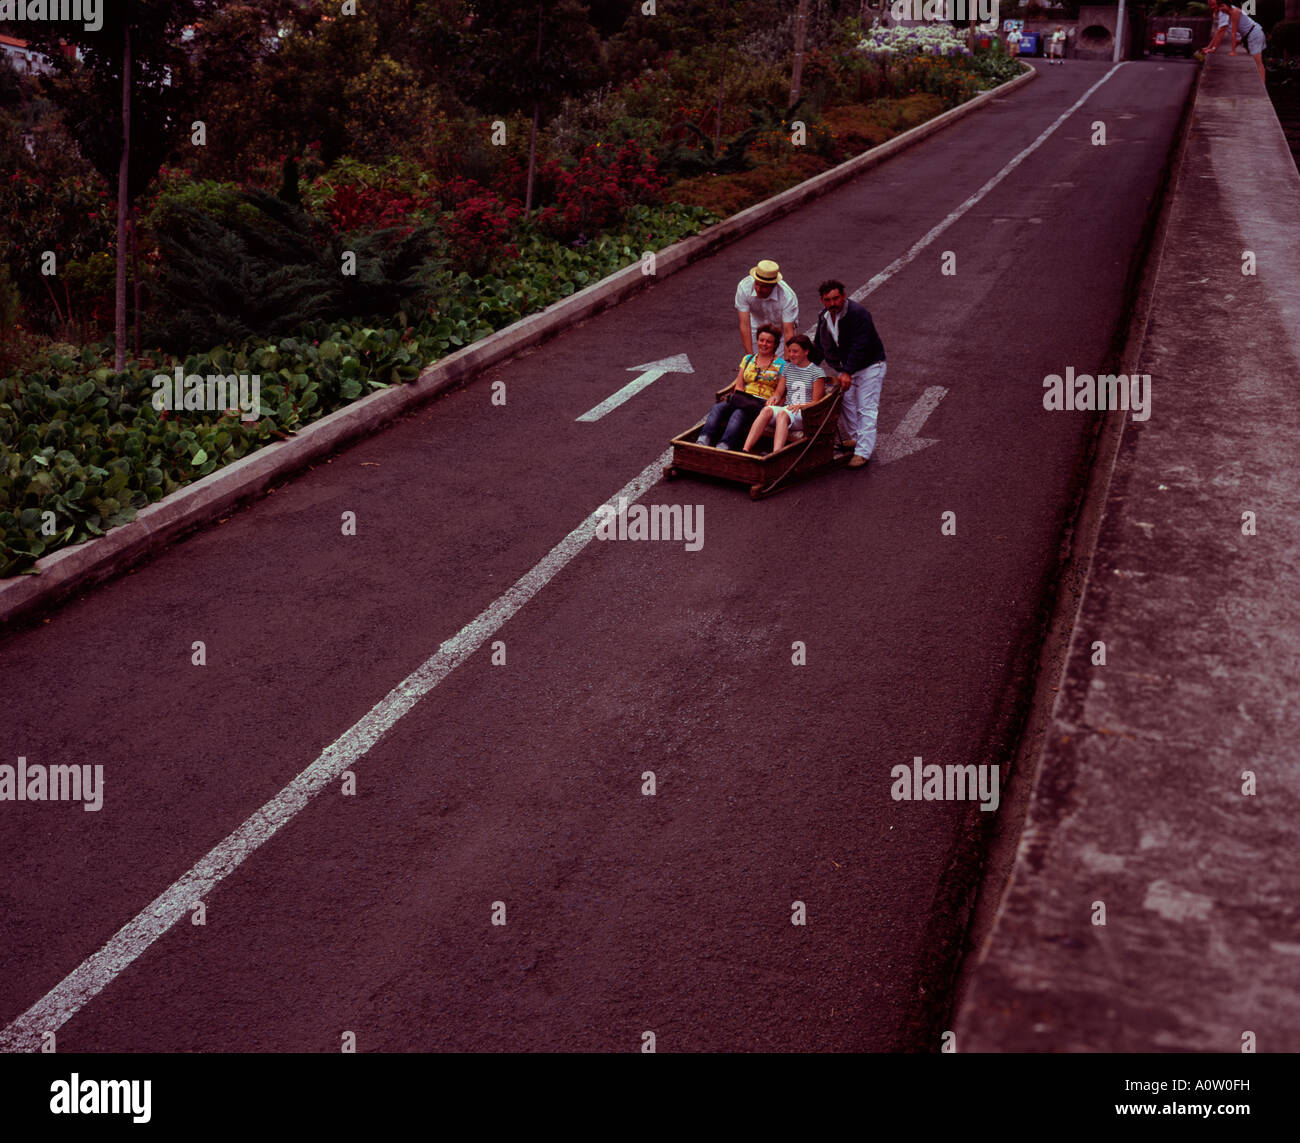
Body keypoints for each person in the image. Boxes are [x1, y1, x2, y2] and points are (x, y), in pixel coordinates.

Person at [809, 280, 886, 470]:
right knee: (844, 402)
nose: (833, 303)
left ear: (843, 296)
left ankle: (863, 452)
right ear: (822, 300)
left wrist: (847, 371)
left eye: (836, 298)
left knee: (866, 407)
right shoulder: (824, 316)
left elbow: (861, 345)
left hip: (869, 366)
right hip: (846, 368)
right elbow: (819, 346)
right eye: (828, 300)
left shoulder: (858, 313)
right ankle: (856, 438)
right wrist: (807, 368)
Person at [696, 325, 786, 451]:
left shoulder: (782, 365)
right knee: (718, 408)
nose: (764, 344)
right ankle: (703, 439)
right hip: (743, 397)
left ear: (775, 344)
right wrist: (740, 400)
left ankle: (724, 445)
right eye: (761, 340)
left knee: (739, 413)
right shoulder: (748, 359)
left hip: (761, 403)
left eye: (768, 342)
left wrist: (773, 399)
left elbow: (779, 391)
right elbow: (739, 384)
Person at [741, 334, 826, 454]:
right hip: (788, 410)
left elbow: (817, 402)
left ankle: (776, 454)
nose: (791, 355)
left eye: (795, 351)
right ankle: (746, 449)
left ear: (806, 352)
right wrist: (774, 398)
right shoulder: (787, 368)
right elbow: (779, 392)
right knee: (766, 410)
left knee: (782, 414)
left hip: (805, 413)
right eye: (789, 351)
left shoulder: (816, 372)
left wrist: (801, 406)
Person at [735, 260, 798, 358]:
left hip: (780, 331)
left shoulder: (788, 297)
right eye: (757, 284)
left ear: (774, 285)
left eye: (764, 287)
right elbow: (745, 324)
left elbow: (788, 332)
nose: (758, 289)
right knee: (756, 361)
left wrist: (786, 362)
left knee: (778, 364)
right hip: (756, 326)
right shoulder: (744, 287)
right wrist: (749, 357)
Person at [1205, 0, 1266, 82]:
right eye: (1220, 7)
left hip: (1254, 33)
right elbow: (1221, 31)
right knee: (1257, 61)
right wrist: (1211, 47)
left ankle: (1262, 84)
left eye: (1222, 6)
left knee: (1258, 62)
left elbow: (1233, 32)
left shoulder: (1234, 12)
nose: (1221, 9)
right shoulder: (1228, 13)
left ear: (1228, 5)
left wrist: (1233, 51)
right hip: (1248, 34)